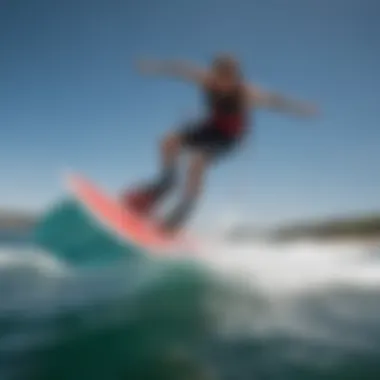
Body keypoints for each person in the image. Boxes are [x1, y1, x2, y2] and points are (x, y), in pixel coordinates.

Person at [123, 54, 318, 233]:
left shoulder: (246, 93)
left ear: (236, 78)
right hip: (210, 128)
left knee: (197, 161)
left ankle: (183, 211)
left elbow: (277, 101)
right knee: (167, 141)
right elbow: (179, 69)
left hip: (230, 138)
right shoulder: (206, 79)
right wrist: (152, 66)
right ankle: (163, 185)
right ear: (214, 74)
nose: (222, 83)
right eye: (219, 77)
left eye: (229, 78)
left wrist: (301, 108)